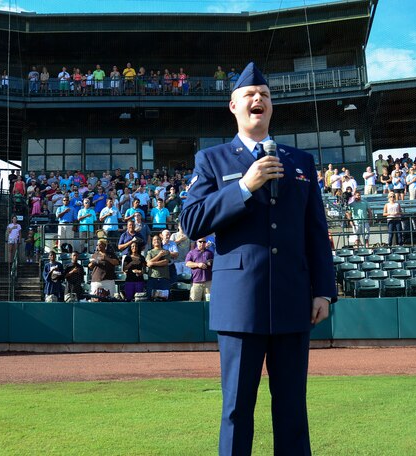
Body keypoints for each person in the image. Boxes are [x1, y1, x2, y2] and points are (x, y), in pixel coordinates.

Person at [179, 62, 336, 456]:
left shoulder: (301, 161)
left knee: (292, 410)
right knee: (236, 409)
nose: (258, 99)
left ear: (271, 107)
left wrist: (323, 291)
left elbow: (316, 231)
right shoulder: (212, 160)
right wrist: (246, 186)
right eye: (249, 94)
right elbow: (191, 220)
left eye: (264, 95)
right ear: (233, 106)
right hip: (239, 304)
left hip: (293, 298)